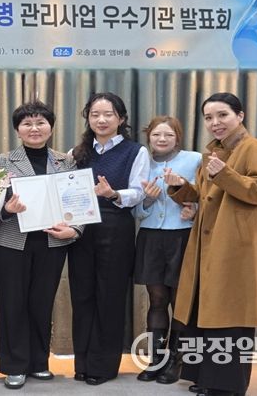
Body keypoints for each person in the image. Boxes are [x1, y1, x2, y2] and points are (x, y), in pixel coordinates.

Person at [164, 92, 257, 396]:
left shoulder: (255, 148)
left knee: (230, 317)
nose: (215, 122)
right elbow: (205, 196)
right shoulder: (213, 152)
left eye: (222, 115)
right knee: (203, 310)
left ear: (240, 116)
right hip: (207, 245)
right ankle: (204, 377)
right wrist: (181, 187)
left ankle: (226, 387)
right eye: (209, 117)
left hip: (236, 247)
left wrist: (224, 174)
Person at [0, 101, 82, 390]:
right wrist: (7, 210)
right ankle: (14, 365)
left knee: (42, 302)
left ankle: (39, 362)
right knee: (12, 303)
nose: (34, 128)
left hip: (52, 241)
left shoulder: (66, 161)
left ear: (51, 127)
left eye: (41, 122)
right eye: (27, 123)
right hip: (11, 242)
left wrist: (75, 230)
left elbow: (77, 202)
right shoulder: (2, 161)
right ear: (17, 130)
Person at [68, 92, 150, 385]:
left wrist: (113, 194)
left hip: (116, 227)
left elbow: (139, 192)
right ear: (88, 119)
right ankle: (82, 363)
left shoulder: (135, 151)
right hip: (81, 230)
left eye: (108, 114)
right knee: (82, 295)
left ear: (121, 119)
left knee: (110, 296)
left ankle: (102, 366)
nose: (101, 120)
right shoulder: (76, 152)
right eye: (95, 115)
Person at [133, 116, 201, 384]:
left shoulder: (194, 160)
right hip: (151, 237)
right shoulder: (142, 162)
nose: (162, 139)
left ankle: (176, 361)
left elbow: (207, 197)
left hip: (182, 237)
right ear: (148, 137)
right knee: (157, 299)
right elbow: (135, 210)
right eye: (156, 135)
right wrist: (148, 201)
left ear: (178, 137)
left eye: (169, 135)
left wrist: (194, 210)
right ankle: (156, 360)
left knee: (179, 301)